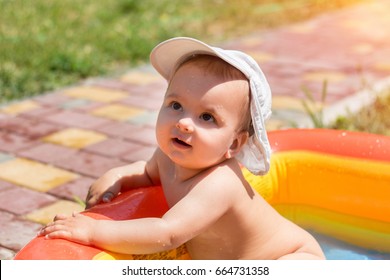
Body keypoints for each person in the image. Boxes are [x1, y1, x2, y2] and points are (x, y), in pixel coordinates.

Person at [39, 37, 325, 260]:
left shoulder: (220, 183)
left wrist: (93, 231)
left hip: (291, 258)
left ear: (234, 144)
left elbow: (167, 232)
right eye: (176, 105)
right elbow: (148, 174)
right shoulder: (167, 156)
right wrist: (120, 175)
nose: (185, 123)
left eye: (207, 117)